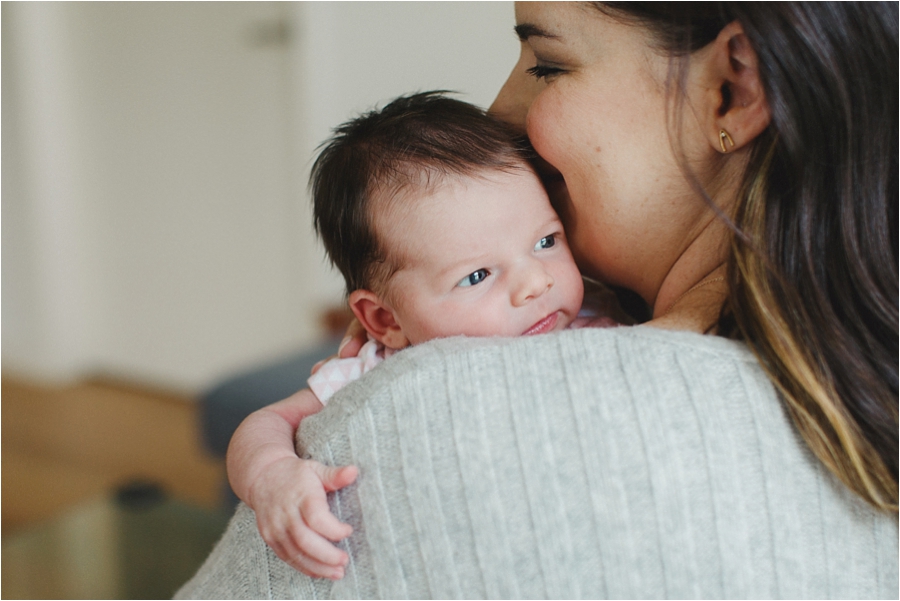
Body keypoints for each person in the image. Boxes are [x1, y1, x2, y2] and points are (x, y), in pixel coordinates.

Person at [177, 3, 897, 598]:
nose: (498, 109)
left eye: (549, 63)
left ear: (732, 91)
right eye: (477, 275)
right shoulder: (856, 398)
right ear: (379, 318)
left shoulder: (439, 409)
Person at [226, 92, 626, 580]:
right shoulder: (378, 368)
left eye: (546, 242)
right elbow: (268, 421)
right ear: (385, 320)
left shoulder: (601, 313)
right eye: (478, 275)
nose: (535, 283)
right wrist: (270, 476)